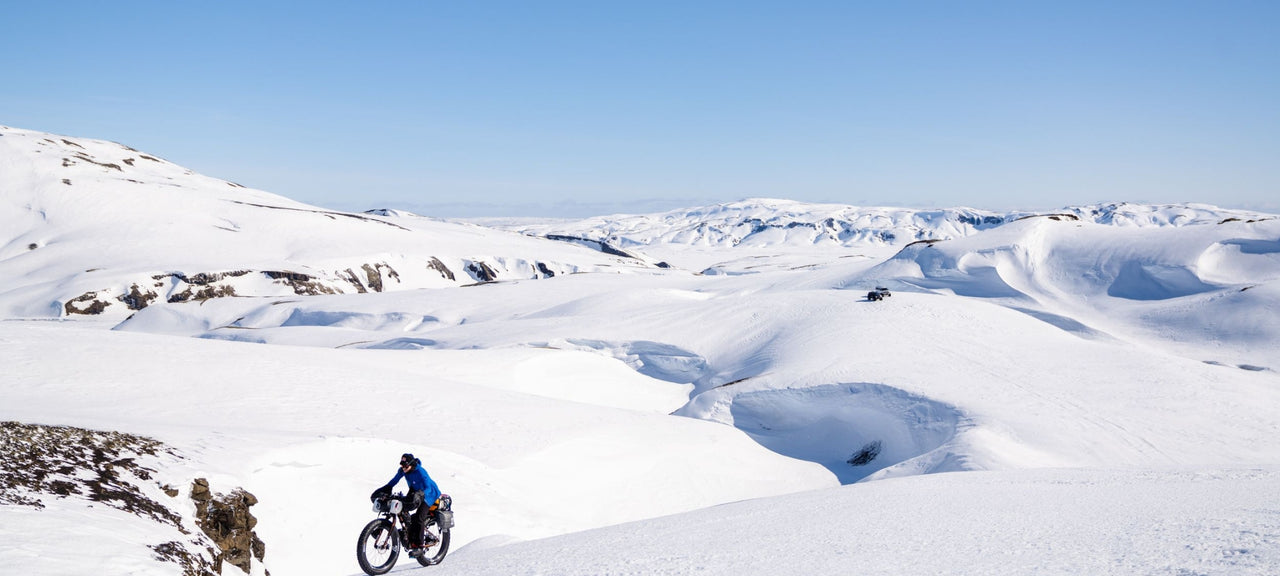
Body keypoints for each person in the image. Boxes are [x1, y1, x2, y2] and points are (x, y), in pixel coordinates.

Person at [370, 453, 442, 556]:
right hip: (415, 491)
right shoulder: (403, 471)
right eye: (402, 465)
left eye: (405, 466)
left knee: (419, 518)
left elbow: (428, 487)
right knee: (401, 506)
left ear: (412, 464)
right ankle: (401, 532)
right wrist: (387, 488)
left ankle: (419, 547)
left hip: (429, 494)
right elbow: (394, 481)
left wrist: (421, 494)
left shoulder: (421, 472)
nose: (403, 468)